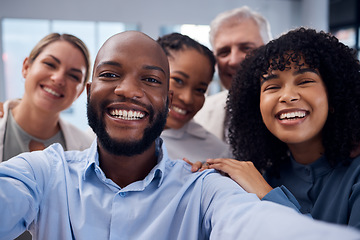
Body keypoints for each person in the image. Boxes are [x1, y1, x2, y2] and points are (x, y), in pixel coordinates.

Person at [0, 30, 360, 240]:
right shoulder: (45, 172)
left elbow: (255, 224)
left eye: (151, 80)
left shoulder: (205, 185)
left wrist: (264, 194)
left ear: (165, 99)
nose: (128, 90)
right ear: (88, 89)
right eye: (110, 75)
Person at [199, 27, 360, 229]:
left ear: (335, 95)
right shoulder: (262, 175)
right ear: (256, 107)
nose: (287, 96)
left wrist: (267, 194)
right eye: (272, 87)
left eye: (305, 81)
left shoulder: (259, 183)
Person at [0, 33, 93, 163]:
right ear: (26, 67)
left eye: (73, 76)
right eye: (50, 64)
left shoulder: (87, 149)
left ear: (80, 92)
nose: (59, 79)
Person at [194, 6, 272, 142]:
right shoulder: (199, 113)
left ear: (269, 52)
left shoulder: (290, 108)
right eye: (224, 52)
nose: (234, 61)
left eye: (246, 48)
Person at [157, 33, 231, 163]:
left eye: (200, 90)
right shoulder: (117, 130)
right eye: (178, 81)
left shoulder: (217, 154)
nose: (187, 99)